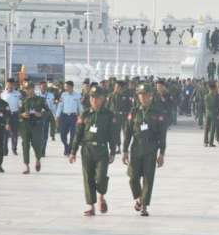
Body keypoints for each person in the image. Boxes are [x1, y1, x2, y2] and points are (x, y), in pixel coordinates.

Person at [69, 87, 118, 216]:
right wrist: (73, 151)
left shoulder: (109, 115)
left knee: (101, 177)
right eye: (92, 97)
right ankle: (91, 206)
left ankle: (101, 196)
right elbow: (78, 134)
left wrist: (113, 151)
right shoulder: (85, 114)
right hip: (87, 149)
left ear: (103, 99)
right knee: (88, 178)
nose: (94, 100)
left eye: (97, 98)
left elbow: (113, 135)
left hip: (102, 149)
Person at [123, 83, 167, 216]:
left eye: (146, 95)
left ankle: (144, 206)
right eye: (141, 95)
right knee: (132, 177)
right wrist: (125, 150)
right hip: (136, 148)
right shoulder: (134, 112)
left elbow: (162, 134)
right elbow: (128, 132)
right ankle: (139, 198)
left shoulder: (158, 113)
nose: (143, 97)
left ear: (151, 96)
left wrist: (162, 153)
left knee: (148, 179)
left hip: (150, 149)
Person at [19, 81, 53, 174]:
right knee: (25, 145)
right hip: (26, 125)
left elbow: (48, 112)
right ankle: (26, 166)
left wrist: (41, 114)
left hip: (37, 126)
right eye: (26, 89)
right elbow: (18, 112)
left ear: (33, 89)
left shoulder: (41, 100)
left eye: (29, 89)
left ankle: (38, 159)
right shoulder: (23, 100)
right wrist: (22, 114)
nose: (28, 91)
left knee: (37, 144)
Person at [55, 81, 82, 155]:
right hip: (64, 116)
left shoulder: (77, 95)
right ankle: (66, 146)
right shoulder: (63, 95)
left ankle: (69, 149)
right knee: (62, 135)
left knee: (73, 135)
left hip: (73, 117)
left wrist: (81, 116)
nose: (65, 88)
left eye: (66, 87)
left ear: (71, 87)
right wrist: (57, 116)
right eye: (65, 87)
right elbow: (60, 106)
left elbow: (80, 107)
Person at [0, 78, 22, 156]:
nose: (10, 86)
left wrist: (20, 116)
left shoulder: (18, 94)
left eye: (12, 84)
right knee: (5, 133)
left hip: (14, 115)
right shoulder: (2, 94)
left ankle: (14, 149)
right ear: (6, 84)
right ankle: (4, 150)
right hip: (5, 115)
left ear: (14, 85)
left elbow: (20, 106)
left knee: (14, 133)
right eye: (9, 84)